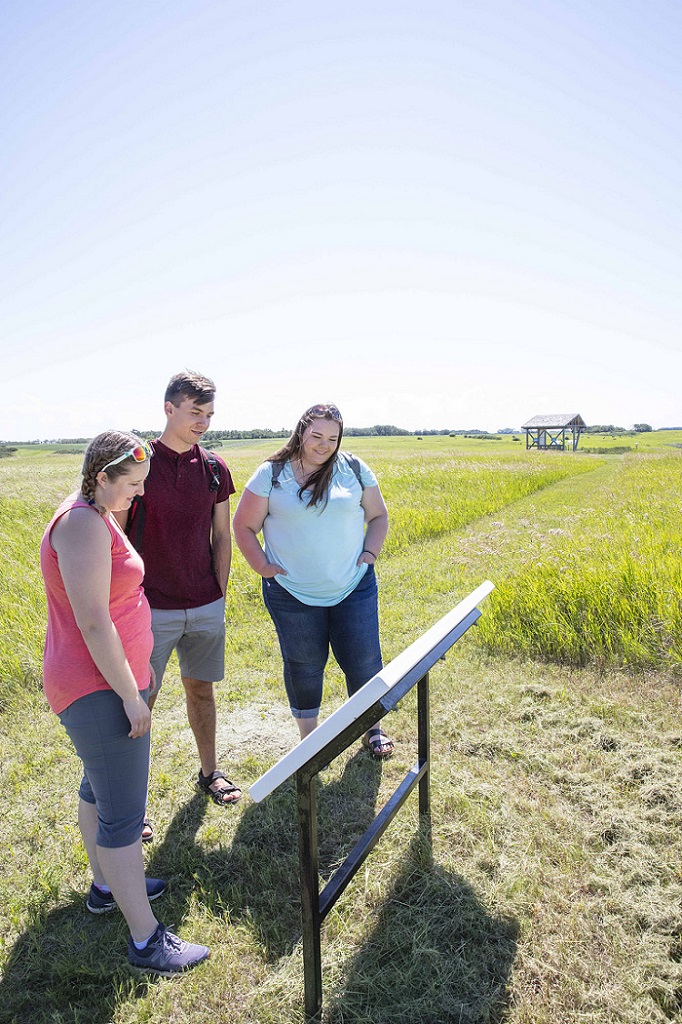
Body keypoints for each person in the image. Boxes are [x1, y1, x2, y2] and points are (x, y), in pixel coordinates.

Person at [40, 430, 210, 974]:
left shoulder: (99, 514)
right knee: (123, 816)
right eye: (131, 484)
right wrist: (131, 696)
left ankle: (105, 887)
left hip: (106, 682)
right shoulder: (83, 524)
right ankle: (146, 940)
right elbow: (93, 620)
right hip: (99, 688)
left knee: (98, 786)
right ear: (100, 477)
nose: (138, 494)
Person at [115, 372, 241, 838]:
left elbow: (222, 536)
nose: (203, 423)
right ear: (169, 409)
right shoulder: (139, 462)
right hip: (149, 609)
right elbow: (119, 536)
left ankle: (209, 773)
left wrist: (219, 592)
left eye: (209, 415)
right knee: (140, 701)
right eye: (195, 413)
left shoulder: (214, 467)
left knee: (202, 692)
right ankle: (132, 805)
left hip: (205, 604)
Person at [232, 403, 393, 756]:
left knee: (364, 660)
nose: (324, 445)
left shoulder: (353, 468)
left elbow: (379, 516)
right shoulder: (271, 474)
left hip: (353, 587)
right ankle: (309, 740)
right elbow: (243, 526)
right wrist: (262, 566)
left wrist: (369, 555)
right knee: (304, 665)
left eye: (332, 438)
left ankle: (373, 729)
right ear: (301, 431)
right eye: (317, 435)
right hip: (292, 593)